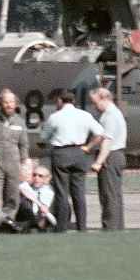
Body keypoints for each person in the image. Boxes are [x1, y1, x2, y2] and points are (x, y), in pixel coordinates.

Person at [42, 89, 104, 232]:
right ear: (73, 101)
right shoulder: (85, 115)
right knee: (79, 192)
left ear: (59, 101)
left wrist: (42, 126)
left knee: (62, 192)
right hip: (79, 152)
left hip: (62, 152)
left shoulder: (55, 117)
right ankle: (82, 226)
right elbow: (100, 133)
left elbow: (45, 135)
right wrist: (88, 147)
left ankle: (61, 226)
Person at [0, 89, 33, 224]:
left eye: (11, 102)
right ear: (0, 103)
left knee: (12, 194)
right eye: (6, 102)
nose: (9, 105)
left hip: (13, 162)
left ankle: (9, 221)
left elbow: (24, 144)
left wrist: (25, 165)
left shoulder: (20, 122)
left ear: (15, 103)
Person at [89, 87, 128, 231]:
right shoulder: (115, 113)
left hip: (110, 156)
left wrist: (99, 161)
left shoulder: (109, 116)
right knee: (115, 194)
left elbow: (107, 140)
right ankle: (117, 226)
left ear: (104, 98)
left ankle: (109, 227)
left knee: (108, 195)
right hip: (117, 155)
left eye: (95, 102)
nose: (95, 106)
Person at [18, 165, 58, 231]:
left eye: (40, 176)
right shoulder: (27, 185)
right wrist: (40, 204)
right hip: (29, 216)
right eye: (34, 175)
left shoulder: (50, 190)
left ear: (47, 179)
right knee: (25, 203)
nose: (36, 178)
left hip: (44, 217)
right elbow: (23, 189)